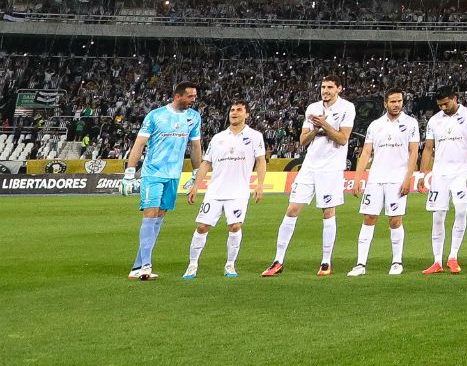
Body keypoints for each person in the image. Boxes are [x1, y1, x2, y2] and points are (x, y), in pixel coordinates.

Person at [265, 76, 354, 277]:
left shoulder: (347, 108)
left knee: (328, 212)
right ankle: (278, 260)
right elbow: (303, 141)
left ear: (339, 89)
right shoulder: (312, 108)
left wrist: (325, 125)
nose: (326, 91)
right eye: (323, 87)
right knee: (292, 209)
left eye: (330, 87)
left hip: (331, 168)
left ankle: (325, 262)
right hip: (309, 166)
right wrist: (315, 128)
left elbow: (342, 139)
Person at [124, 82, 203, 280]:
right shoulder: (155, 116)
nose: (194, 100)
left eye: (195, 96)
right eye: (190, 96)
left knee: (159, 217)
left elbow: (195, 147)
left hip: (173, 175)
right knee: (150, 214)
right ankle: (146, 266)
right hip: (153, 173)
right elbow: (139, 144)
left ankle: (138, 265)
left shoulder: (194, 118)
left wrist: (196, 173)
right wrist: (129, 172)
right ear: (178, 96)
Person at [184, 98, 262, 279]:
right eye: (232, 110)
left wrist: (259, 184)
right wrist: (196, 186)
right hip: (215, 191)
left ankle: (230, 265)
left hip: (238, 192)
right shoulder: (218, 138)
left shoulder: (255, 136)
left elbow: (260, 161)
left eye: (239, 110)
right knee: (202, 227)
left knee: (235, 226)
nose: (234, 112)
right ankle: (192, 265)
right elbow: (206, 163)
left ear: (247, 114)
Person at [348, 89, 418, 277]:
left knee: (395, 220)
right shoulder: (375, 125)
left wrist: (408, 178)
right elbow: (366, 153)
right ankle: (360, 264)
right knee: (369, 218)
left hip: (397, 179)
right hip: (376, 179)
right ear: (385, 103)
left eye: (400, 101)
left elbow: (413, 153)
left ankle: (397, 261)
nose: (397, 104)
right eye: (393, 101)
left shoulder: (411, 124)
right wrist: (357, 178)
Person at [419, 90, 467, 275]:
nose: (443, 108)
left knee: (461, 211)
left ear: (455, 99)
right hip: (440, 174)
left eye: (446, 104)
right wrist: (422, 174)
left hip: (461, 172)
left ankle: (453, 256)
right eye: (440, 105)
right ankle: (437, 261)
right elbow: (428, 148)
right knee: (438, 216)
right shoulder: (434, 120)